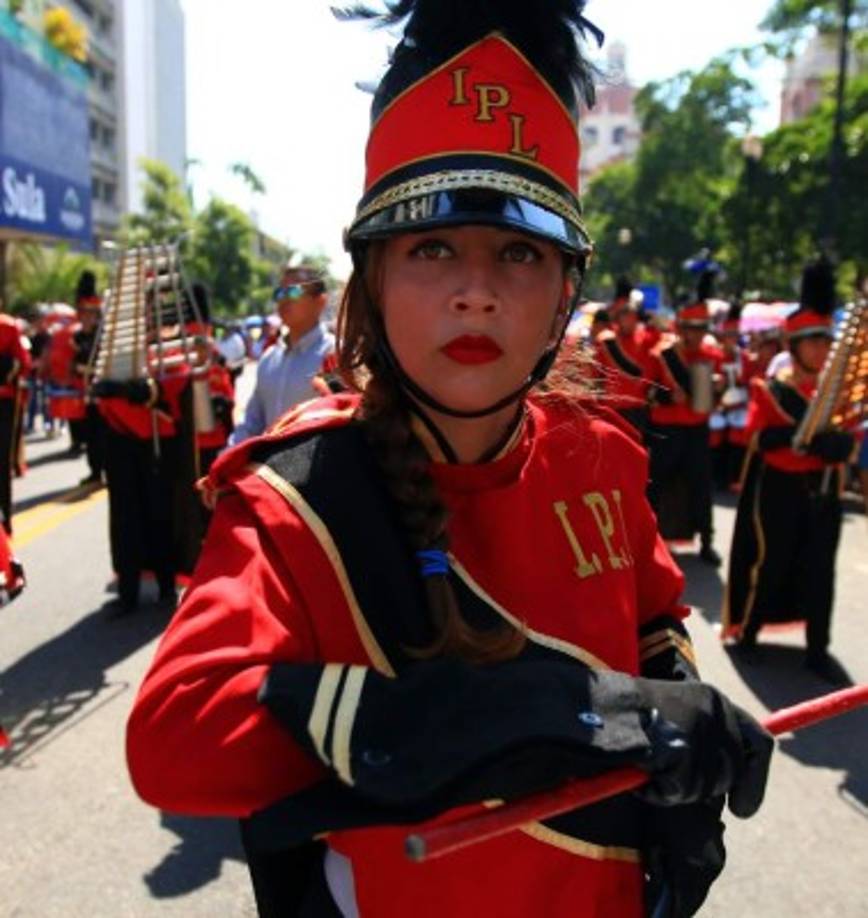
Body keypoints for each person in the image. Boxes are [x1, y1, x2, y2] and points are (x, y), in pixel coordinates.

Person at [126, 4, 773, 918]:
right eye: (432, 248)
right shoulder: (291, 498)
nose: (476, 292)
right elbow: (173, 741)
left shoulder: (599, 455)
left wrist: (676, 746)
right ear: (373, 283)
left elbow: (656, 617)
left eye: (519, 251)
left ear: (564, 297)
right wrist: (526, 714)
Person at [723, 257, 856, 683]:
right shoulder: (772, 389)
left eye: (825, 341)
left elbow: (849, 442)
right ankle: (749, 634)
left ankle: (818, 649)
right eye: (811, 341)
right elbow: (759, 438)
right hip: (780, 488)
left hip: (825, 490)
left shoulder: (837, 397)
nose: (819, 348)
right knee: (772, 561)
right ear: (795, 345)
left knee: (821, 570)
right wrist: (794, 439)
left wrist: (836, 445)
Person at [646, 271, 724, 565]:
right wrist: (667, 397)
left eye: (703, 327)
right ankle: (649, 540)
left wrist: (718, 388)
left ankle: (707, 540)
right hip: (667, 430)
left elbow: (718, 397)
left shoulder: (712, 354)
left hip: (697, 429)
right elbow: (647, 393)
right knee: (656, 485)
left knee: (702, 485)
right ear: (681, 327)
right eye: (693, 328)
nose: (699, 333)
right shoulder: (661, 354)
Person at [229, 265, 335, 445]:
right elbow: (252, 424)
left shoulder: (334, 353)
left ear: (320, 301)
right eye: (279, 293)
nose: (284, 299)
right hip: (271, 470)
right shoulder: (269, 358)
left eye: (293, 291)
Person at [594, 277, 656, 436]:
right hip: (612, 409)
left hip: (638, 409)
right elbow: (596, 377)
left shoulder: (648, 337)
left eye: (630, 314)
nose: (627, 318)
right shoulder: (606, 340)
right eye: (623, 314)